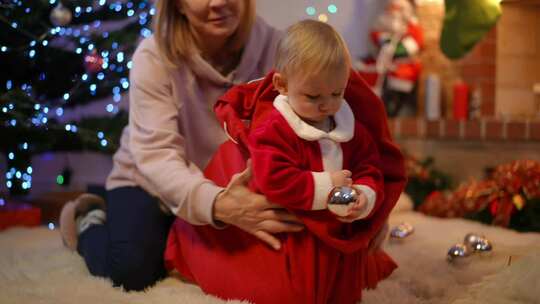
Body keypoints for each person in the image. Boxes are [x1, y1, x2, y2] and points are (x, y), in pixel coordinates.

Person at [59, 0, 305, 292]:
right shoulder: (153, 57)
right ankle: (89, 216)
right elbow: (157, 157)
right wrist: (219, 205)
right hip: (150, 181)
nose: (219, 2)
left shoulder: (279, 48)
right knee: (132, 271)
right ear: (177, 5)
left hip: (231, 183)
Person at [164, 20, 406, 304]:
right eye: (313, 96)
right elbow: (274, 178)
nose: (326, 105)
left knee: (344, 291)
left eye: (337, 93)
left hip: (339, 228)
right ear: (281, 85)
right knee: (295, 292)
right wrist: (326, 187)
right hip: (296, 228)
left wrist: (364, 197)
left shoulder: (352, 129)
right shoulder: (274, 129)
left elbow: (369, 168)